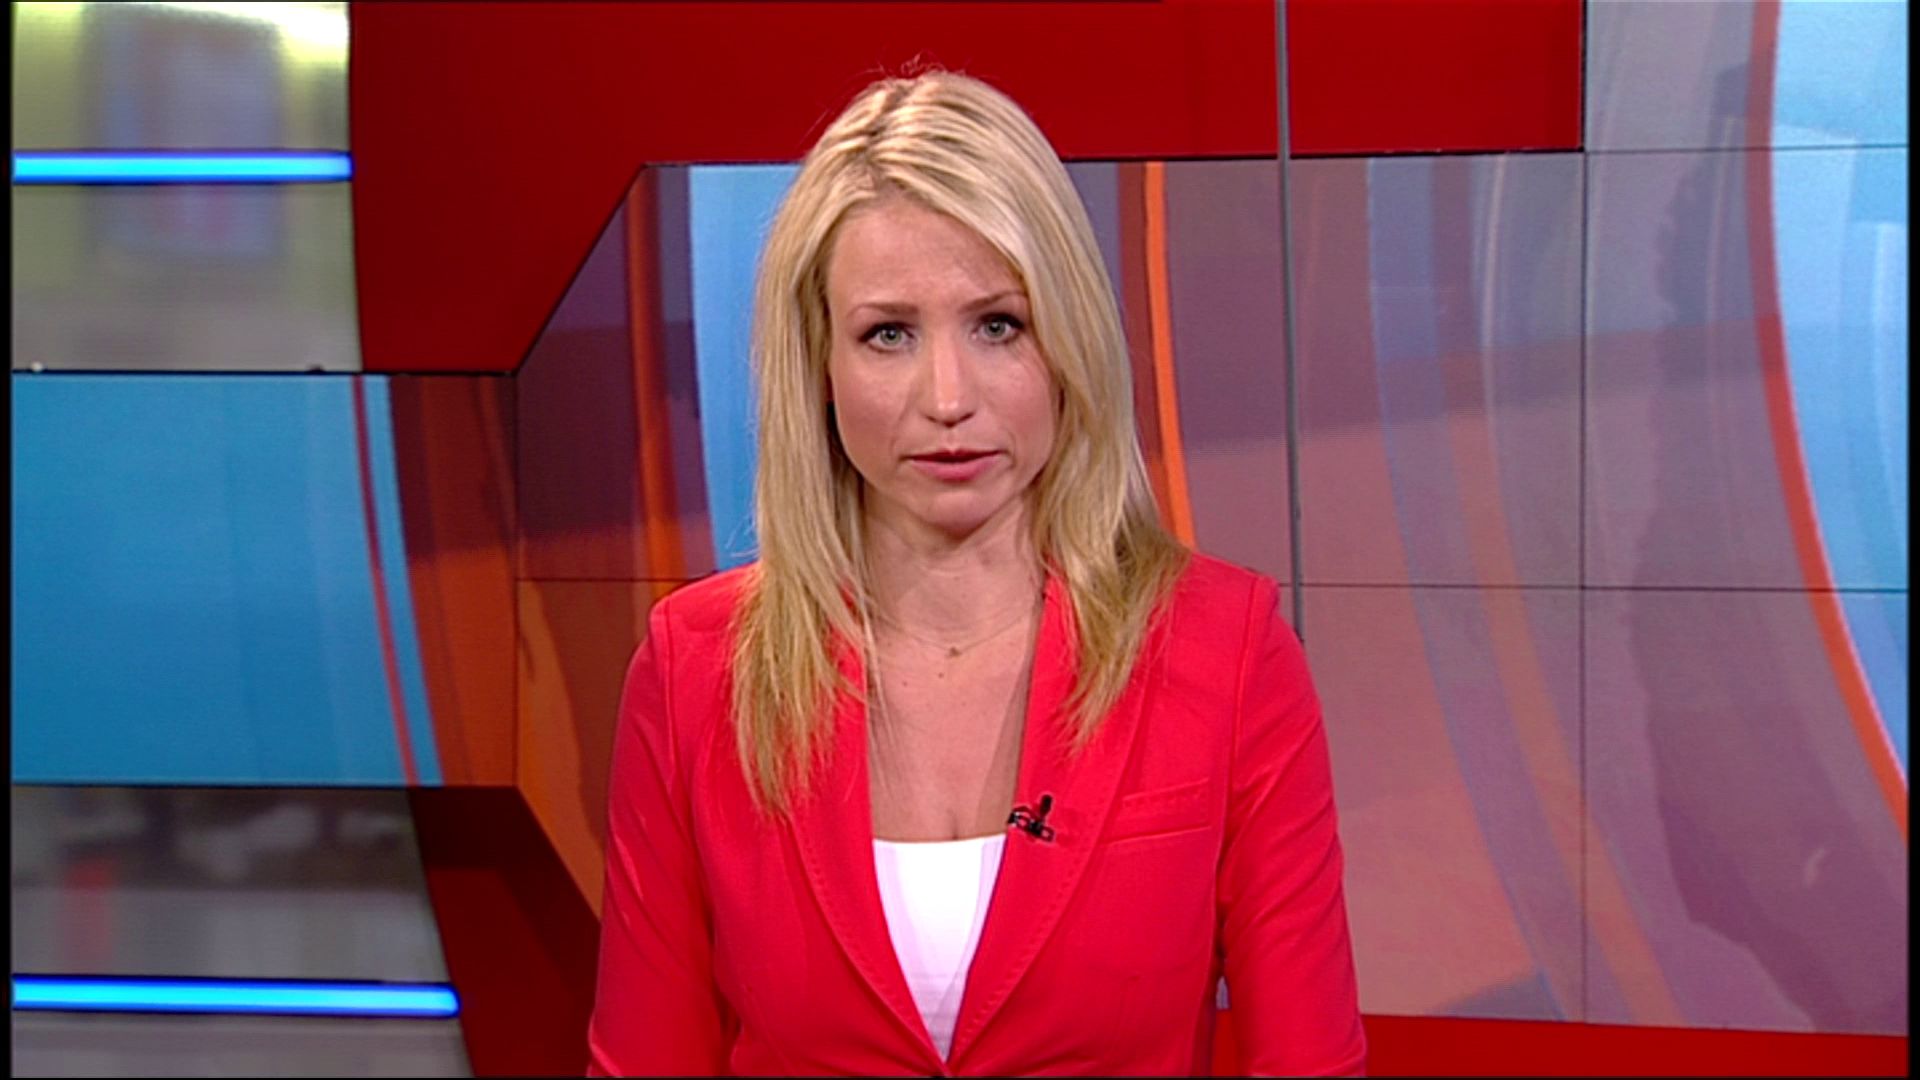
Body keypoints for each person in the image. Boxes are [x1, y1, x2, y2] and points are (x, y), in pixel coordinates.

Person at [587, 70, 1365, 1077]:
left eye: (998, 324)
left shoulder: (1229, 653)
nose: (947, 397)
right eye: (889, 334)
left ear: (1067, 341)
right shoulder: (696, 673)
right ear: (820, 366)